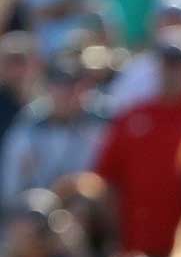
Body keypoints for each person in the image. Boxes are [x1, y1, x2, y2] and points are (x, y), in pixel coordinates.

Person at [94, 29, 181, 257]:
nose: (173, 72)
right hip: (138, 244)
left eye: (178, 64)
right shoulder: (132, 117)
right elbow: (107, 179)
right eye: (167, 64)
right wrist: (114, 235)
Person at [0, 57, 106, 205]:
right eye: (60, 85)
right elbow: (10, 190)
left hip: (85, 214)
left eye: (75, 85)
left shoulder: (99, 128)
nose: (67, 93)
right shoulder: (26, 128)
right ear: (48, 87)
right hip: (34, 215)